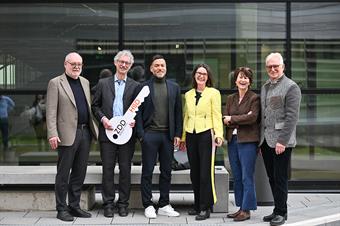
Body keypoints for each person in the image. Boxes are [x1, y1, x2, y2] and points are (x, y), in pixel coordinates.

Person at [46, 52, 98, 222]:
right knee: (63, 173)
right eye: (73, 63)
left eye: (79, 64)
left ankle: (74, 206)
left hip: (84, 133)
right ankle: (61, 208)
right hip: (66, 134)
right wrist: (53, 134)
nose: (76, 66)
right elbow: (51, 111)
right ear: (65, 64)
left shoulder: (85, 81)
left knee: (79, 172)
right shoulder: (55, 83)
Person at [92, 50, 139, 218]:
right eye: (121, 61)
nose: (124, 65)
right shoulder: (103, 83)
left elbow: (138, 110)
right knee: (108, 170)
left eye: (127, 63)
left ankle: (123, 204)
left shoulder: (135, 86)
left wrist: (135, 121)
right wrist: (103, 119)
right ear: (115, 63)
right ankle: (108, 204)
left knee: (125, 169)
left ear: (130, 65)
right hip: (107, 134)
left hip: (127, 135)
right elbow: (95, 106)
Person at [135, 54, 183, 219]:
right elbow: (137, 113)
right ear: (151, 68)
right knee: (147, 171)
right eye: (156, 65)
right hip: (150, 135)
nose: (160, 68)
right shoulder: (143, 87)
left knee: (166, 171)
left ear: (166, 68)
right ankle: (148, 205)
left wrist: (178, 133)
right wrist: (141, 135)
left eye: (162, 65)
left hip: (168, 136)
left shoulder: (174, 87)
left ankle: (164, 204)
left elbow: (178, 112)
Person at [260, 52, 301, 226]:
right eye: (269, 66)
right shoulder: (265, 86)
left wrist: (282, 141)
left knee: (280, 178)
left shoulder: (291, 87)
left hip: (281, 142)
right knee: (272, 178)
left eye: (276, 66)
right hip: (266, 141)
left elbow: (292, 117)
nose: (273, 69)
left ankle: (282, 213)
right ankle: (276, 209)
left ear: (283, 67)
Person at [179, 63, 223, 221]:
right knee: (195, 172)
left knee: (205, 172)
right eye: (199, 73)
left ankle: (206, 206)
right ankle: (197, 204)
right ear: (194, 76)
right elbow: (186, 117)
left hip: (207, 134)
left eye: (204, 73)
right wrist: (183, 137)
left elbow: (217, 115)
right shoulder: (189, 94)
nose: (201, 76)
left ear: (208, 76)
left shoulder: (213, 93)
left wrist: (218, 134)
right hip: (191, 134)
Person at [223, 67, 260, 221]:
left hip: (248, 141)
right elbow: (225, 117)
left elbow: (252, 118)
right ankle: (240, 207)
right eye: (240, 77)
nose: (243, 80)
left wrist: (233, 119)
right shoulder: (231, 98)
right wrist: (238, 118)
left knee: (246, 176)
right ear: (236, 80)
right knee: (237, 176)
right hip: (233, 141)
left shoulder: (254, 98)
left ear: (250, 81)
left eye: (246, 78)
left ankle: (247, 209)